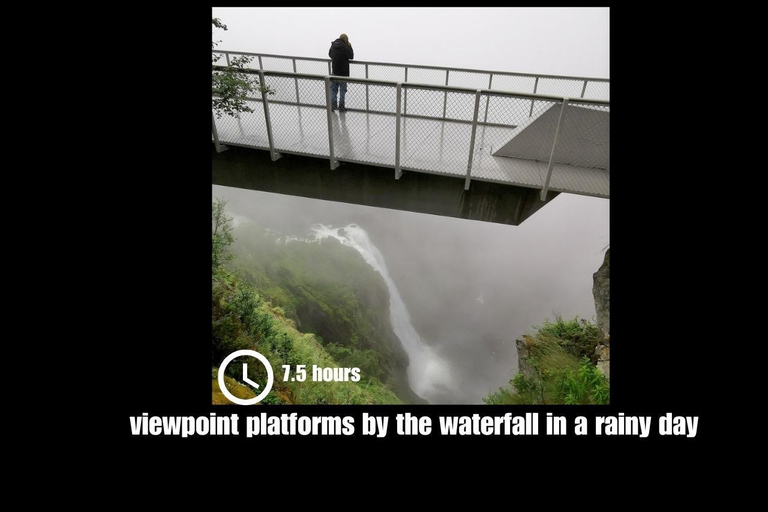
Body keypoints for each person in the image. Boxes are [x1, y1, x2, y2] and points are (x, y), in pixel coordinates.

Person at [328, 33, 354, 111]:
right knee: (342, 90)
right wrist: (350, 46)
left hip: (335, 71)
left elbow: (329, 54)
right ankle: (341, 107)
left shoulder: (333, 45)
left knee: (334, 90)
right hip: (343, 73)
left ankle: (333, 106)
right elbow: (351, 56)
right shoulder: (345, 47)